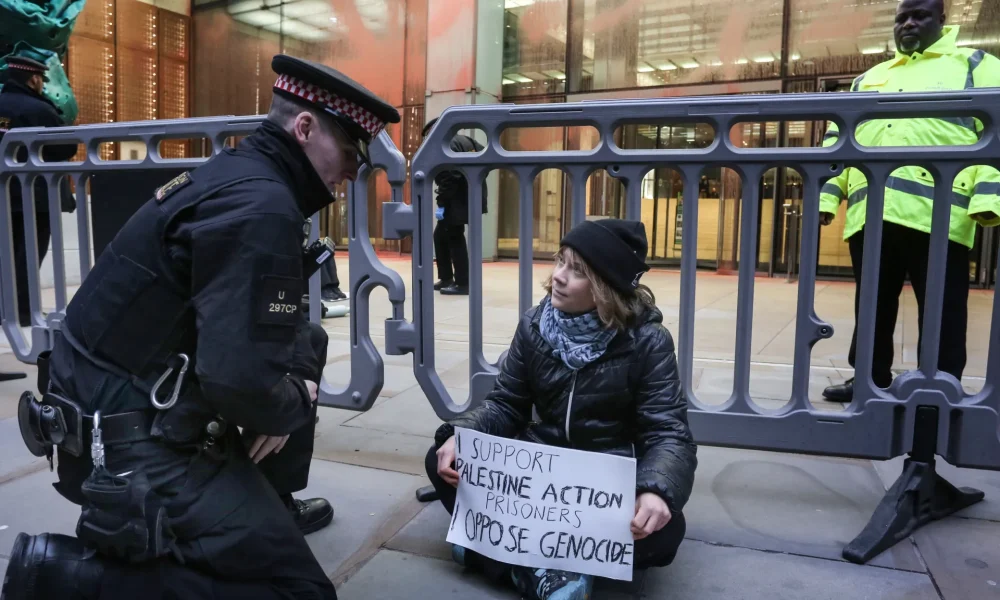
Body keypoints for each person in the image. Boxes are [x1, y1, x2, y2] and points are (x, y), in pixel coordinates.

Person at [4, 54, 400, 599]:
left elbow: (273, 339)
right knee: (299, 590)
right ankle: (67, 578)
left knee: (304, 346)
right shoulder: (262, 206)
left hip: (106, 407)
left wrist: (285, 392)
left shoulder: (239, 176)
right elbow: (237, 382)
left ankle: (259, 512)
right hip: (129, 445)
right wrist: (292, 401)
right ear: (304, 128)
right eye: (351, 152)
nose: (356, 170)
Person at [425, 219, 697, 600]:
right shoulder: (535, 325)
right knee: (444, 458)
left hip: (603, 485)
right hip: (538, 478)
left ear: (607, 288)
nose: (558, 277)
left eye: (578, 271)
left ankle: (496, 554)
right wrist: (462, 434)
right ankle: (546, 568)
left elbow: (668, 433)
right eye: (560, 261)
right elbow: (506, 403)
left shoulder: (648, 342)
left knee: (666, 533)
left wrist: (656, 492)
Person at [819, 0, 1000, 401]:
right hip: (872, 214)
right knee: (872, 307)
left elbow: (997, 131)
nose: (909, 24)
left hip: (939, 217)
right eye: (902, 17)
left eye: (919, 15)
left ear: (942, 20)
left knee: (942, 310)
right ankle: (869, 380)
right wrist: (827, 198)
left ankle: (940, 385)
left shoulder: (976, 65)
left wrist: (988, 197)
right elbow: (838, 141)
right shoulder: (870, 77)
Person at [0, 55, 78, 327]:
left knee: (5, 252)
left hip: (3, 194)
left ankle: (4, 309)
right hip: (35, 196)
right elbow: (66, 147)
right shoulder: (39, 109)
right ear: (34, 79)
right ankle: (23, 310)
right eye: (41, 80)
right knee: (29, 254)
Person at [423, 117, 487, 296]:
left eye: (428, 134)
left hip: (456, 199)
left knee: (454, 237)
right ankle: (446, 277)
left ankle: (463, 283)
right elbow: (485, 157)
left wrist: (442, 201)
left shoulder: (447, 143)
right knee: (441, 235)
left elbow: (451, 175)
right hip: (470, 195)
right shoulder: (466, 140)